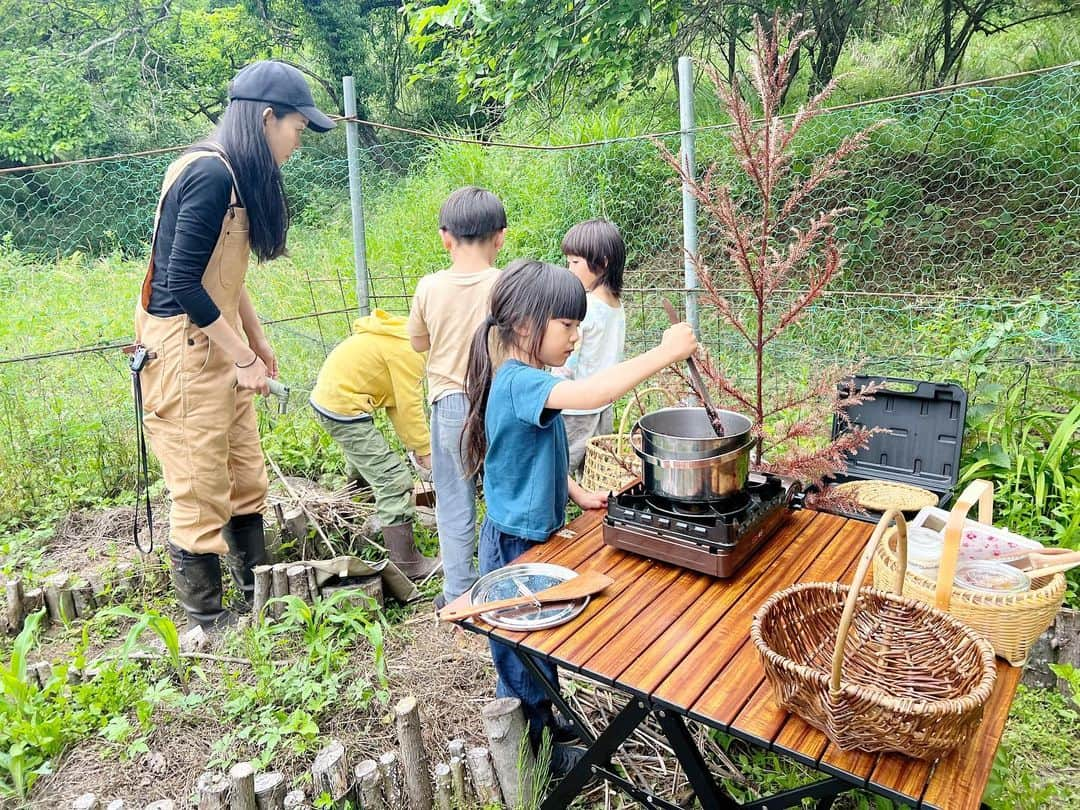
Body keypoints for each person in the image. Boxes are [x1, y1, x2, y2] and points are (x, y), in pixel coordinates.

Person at [461, 259, 697, 773]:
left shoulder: (531, 378)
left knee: (543, 638)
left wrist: (576, 491)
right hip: (513, 544)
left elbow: (525, 452)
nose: (575, 336)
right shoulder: (519, 381)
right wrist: (663, 353)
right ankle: (536, 753)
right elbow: (595, 395)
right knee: (522, 651)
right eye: (567, 326)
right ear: (526, 325)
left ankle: (547, 712)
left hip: (534, 534)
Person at [133, 61, 335, 630]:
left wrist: (256, 339)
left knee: (246, 473)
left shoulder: (234, 176)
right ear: (267, 119)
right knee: (201, 485)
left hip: (217, 342)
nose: (298, 142)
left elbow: (224, 274)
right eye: (297, 129)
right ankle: (206, 619)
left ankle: (258, 592)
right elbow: (179, 284)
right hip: (185, 352)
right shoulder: (209, 175)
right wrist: (241, 355)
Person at [407, 187, 506, 610]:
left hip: (449, 403)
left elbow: (417, 342)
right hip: (498, 399)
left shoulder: (429, 286)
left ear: (445, 238)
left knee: (453, 498)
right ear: (500, 237)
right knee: (502, 492)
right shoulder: (506, 283)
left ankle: (459, 592)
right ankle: (503, 579)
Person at [309, 309, 439, 579]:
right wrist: (424, 451)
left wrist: (417, 445)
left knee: (366, 468)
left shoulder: (403, 336)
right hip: (343, 407)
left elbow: (395, 404)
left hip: (334, 400)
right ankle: (407, 562)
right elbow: (408, 407)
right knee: (392, 479)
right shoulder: (410, 352)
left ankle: (348, 526)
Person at [552, 219, 627, 475]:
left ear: (602, 262)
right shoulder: (616, 305)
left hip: (575, 408)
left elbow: (567, 362)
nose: (569, 268)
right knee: (594, 472)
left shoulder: (586, 307)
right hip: (603, 404)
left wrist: (552, 393)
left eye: (574, 262)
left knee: (560, 471)